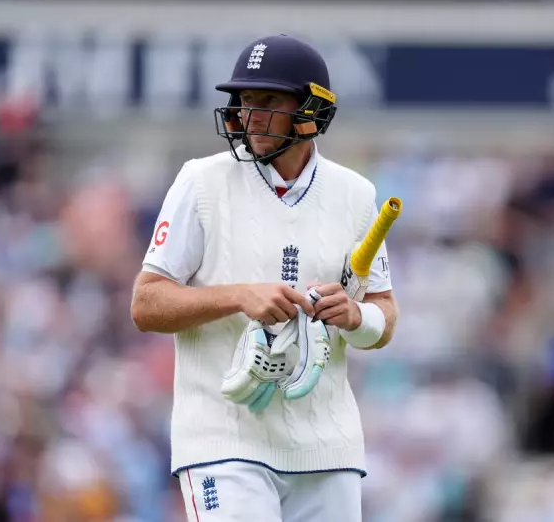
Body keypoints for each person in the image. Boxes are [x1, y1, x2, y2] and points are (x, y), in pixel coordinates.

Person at [130, 34, 399, 522]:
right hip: (223, 437)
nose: (250, 115)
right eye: (245, 101)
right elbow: (146, 305)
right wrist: (238, 297)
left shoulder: (356, 194)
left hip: (326, 445)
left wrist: (355, 316)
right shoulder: (200, 181)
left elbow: (384, 316)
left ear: (311, 109)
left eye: (268, 101)